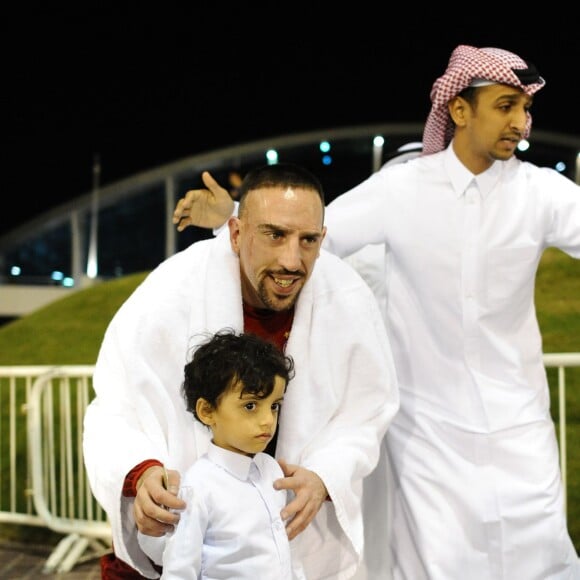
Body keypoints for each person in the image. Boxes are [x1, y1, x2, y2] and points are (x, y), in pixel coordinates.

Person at [172, 45, 580, 579]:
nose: (521, 124)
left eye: (526, 109)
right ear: (459, 110)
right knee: (438, 566)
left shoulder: (542, 193)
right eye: (506, 106)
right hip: (429, 434)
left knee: (543, 559)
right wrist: (233, 215)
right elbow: (311, 238)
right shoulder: (402, 190)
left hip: (522, 424)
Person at [83, 162, 399, 579]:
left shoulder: (348, 297)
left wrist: (326, 474)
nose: (292, 260)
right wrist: (142, 475)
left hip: (294, 550)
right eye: (274, 235)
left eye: (308, 241)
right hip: (180, 536)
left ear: (323, 239)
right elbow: (115, 404)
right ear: (235, 233)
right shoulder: (171, 289)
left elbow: (367, 410)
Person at [137, 328, 304, 579]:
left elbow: (283, 553)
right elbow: (180, 569)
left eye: (274, 406)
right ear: (207, 411)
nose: (268, 420)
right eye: (250, 406)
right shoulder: (199, 487)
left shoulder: (271, 470)